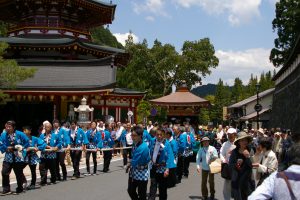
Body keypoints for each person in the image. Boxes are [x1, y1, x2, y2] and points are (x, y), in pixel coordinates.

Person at [0, 121, 29, 195]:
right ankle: (6, 189)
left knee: (18, 173)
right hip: (8, 156)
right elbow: (1, 144)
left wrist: (22, 147)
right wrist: (6, 148)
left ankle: (20, 188)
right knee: (4, 172)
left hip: (18, 157)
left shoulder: (20, 134)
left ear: (13, 127)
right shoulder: (3, 135)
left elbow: (27, 142)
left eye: (9, 127)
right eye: (7, 126)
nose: (8, 128)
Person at [148, 128, 175, 200]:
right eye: (157, 135)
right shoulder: (152, 140)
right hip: (153, 166)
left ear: (163, 135)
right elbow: (149, 151)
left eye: (161, 135)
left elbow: (169, 157)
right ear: (155, 135)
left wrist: (167, 169)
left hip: (163, 168)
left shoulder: (167, 143)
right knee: (153, 185)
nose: (159, 136)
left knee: (162, 188)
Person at [127, 126, 151, 200]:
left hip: (142, 173)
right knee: (130, 190)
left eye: (134, 135)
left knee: (142, 194)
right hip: (134, 171)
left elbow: (134, 161)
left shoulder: (143, 147)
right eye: (132, 135)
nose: (132, 137)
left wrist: (128, 164)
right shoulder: (135, 144)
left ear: (140, 136)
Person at [229, 131, 254, 200]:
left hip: (247, 180)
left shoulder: (250, 150)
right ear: (238, 142)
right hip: (237, 180)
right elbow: (230, 165)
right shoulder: (234, 152)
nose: (244, 142)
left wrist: (248, 157)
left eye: (245, 140)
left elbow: (251, 166)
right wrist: (236, 164)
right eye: (242, 140)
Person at [220, 128, 237, 200]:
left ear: (235, 134)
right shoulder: (225, 144)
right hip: (228, 166)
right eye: (228, 134)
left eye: (231, 134)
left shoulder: (238, 143)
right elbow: (221, 153)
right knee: (227, 185)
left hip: (237, 167)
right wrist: (224, 161)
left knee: (237, 184)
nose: (230, 136)